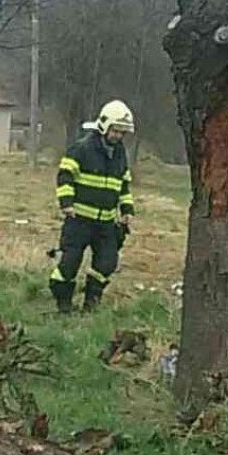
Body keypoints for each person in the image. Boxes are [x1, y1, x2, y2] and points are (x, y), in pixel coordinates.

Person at [49, 100, 136, 314]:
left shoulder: (119, 154)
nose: (118, 136)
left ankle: (91, 304)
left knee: (107, 264)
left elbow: (123, 184)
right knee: (68, 265)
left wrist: (127, 211)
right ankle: (64, 306)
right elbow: (65, 176)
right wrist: (67, 204)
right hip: (79, 221)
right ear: (104, 126)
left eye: (122, 132)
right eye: (115, 130)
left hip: (106, 223)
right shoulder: (82, 148)